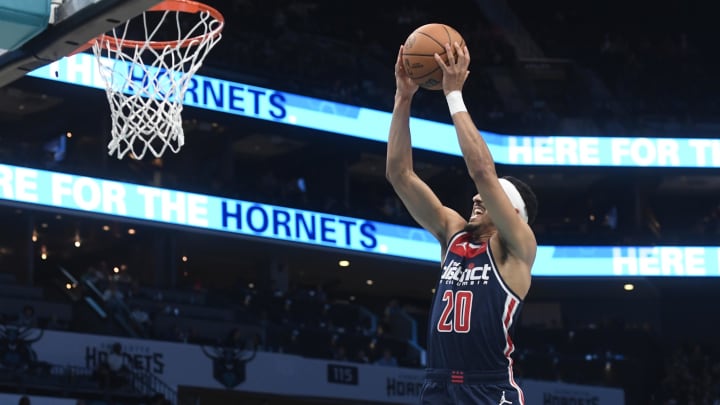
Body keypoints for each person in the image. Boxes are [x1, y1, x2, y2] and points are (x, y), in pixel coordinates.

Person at [386, 41, 538, 404]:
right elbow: (399, 174)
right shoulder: (453, 234)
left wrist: (454, 94)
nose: (475, 198)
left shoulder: (517, 248)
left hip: (489, 388)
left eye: (488, 199)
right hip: (438, 386)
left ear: (511, 213)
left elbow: (483, 172)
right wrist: (403, 97)